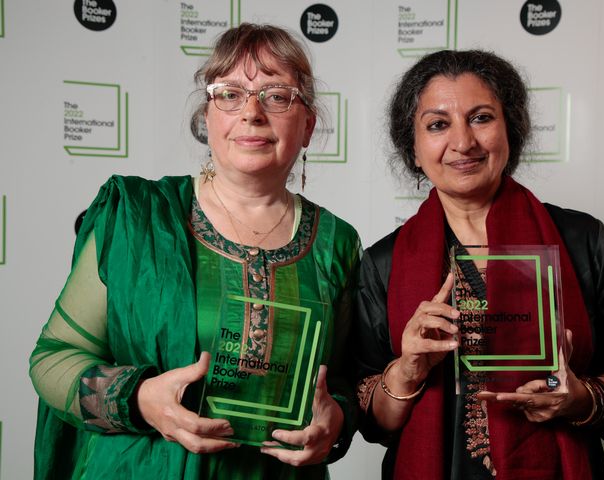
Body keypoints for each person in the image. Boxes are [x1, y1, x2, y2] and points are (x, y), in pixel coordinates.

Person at [29, 23, 361, 480]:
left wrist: (336, 419)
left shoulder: (335, 242)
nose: (252, 113)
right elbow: (53, 359)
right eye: (230, 93)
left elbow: (341, 381)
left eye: (277, 95)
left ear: (307, 125)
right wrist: (141, 399)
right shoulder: (135, 215)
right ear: (207, 118)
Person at [354, 49, 604, 480]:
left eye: (481, 118)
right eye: (438, 124)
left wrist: (581, 398)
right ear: (413, 146)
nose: (463, 142)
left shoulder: (580, 239)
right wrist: (407, 371)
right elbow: (372, 419)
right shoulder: (381, 263)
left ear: (510, 129)